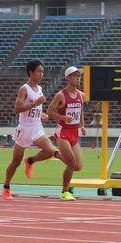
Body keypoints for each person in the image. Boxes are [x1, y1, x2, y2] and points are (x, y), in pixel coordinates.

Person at [2, 59, 59, 200]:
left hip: (37, 128)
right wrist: (35, 105)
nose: (41, 74)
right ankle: (6, 187)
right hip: (24, 129)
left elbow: (37, 108)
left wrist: (43, 114)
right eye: (39, 71)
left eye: (42, 72)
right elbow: (17, 109)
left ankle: (31, 161)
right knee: (15, 162)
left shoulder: (39, 89)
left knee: (51, 151)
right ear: (30, 72)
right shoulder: (24, 89)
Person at [45, 66, 87, 201]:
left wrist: (82, 126)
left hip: (74, 132)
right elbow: (49, 112)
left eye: (79, 76)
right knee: (71, 162)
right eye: (74, 76)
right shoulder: (61, 95)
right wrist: (63, 118)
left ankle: (55, 154)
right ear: (67, 78)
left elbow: (81, 112)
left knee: (78, 166)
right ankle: (65, 191)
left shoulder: (81, 95)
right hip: (62, 132)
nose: (78, 78)